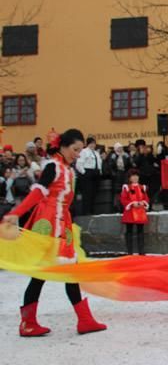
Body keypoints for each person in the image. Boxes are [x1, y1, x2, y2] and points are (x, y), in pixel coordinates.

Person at [2, 129, 107, 336]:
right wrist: (16, 213)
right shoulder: (53, 166)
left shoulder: (67, 169)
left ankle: (78, 320)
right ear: (62, 146)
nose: (77, 154)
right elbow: (38, 191)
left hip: (61, 223)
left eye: (80, 150)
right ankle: (36, 322)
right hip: (50, 225)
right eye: (75, 149)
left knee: (59, 273)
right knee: (51, 273)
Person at [120, 169, 150, 255]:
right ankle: (130, 252)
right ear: (129, 178)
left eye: (136, 176)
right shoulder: (126, 187)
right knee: (129, 231)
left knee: (140, 231)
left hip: (140, 212)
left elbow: (146, 198)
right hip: (130, 213)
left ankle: (141, 251)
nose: (135, 177)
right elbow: (123, 199)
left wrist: (143, 202)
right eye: (133, 176)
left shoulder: (142, 187)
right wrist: (132, 204)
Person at [75, 137, 102, 215]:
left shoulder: (96, 153)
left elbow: (99, 164)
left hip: (95, 173)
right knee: (87, 194)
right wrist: (84, 173)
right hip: (87, 173)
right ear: (87, 144)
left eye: (94, 143)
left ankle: (92, 210)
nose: (93, 145)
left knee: (94, 193)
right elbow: (79, 164)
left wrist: (99, 172)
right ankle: (86, 211)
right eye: (91, 143)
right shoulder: (84, 152)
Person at [108, 142, 132, 211]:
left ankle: (125, 205)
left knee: (125, 190)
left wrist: (129, 157)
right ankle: (116, 206)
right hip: (117, 175)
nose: (120, 149)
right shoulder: (113, 156)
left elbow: (129, 165)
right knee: (117, 191)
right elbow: (110, 166)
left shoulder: (125, 155)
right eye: (119, 148)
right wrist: (114, 174)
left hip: (124, 174)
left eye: (121, 148)